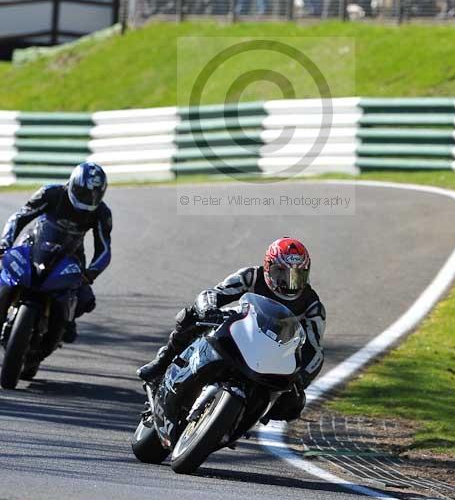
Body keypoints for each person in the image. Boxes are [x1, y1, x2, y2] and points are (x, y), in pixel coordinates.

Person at [137, 237, 326, 422]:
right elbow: (213, 293)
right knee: (190, 316)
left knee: (293, 405)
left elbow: (315, 351)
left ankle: (245, 417)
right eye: (282, 274)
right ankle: (163, 362)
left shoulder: (312, 305)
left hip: (274, 354)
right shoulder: (252, 275)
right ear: (268, 267)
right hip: (242, 329)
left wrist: (301, 379)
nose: (289, 282)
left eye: (297, 275)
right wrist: (208, 309)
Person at [0, 162, 111, 358]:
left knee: (85, 299)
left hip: (71, 254)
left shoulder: (101, 212)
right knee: (6, 271)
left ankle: (61, 327)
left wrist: (91, 272)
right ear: (73, 184)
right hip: (34, 245)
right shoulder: (50, 193)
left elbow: (104, 248)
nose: (89, 199)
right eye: (85, 193)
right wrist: (5, 243)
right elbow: (19, 217)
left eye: (94, 195)